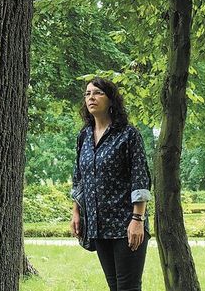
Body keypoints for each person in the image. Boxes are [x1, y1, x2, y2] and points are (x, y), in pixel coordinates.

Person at [70, 77, 152, 291]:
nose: (91, 98)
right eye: (87, 94)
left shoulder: (128, 135)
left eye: (97, 93)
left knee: (128, 288)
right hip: (98, 226)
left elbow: (140, 177)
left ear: (111, 100)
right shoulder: (84, 136)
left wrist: (137, 219)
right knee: (114, 286)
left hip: (126, 224)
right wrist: (76, 211)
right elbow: (79, 176)